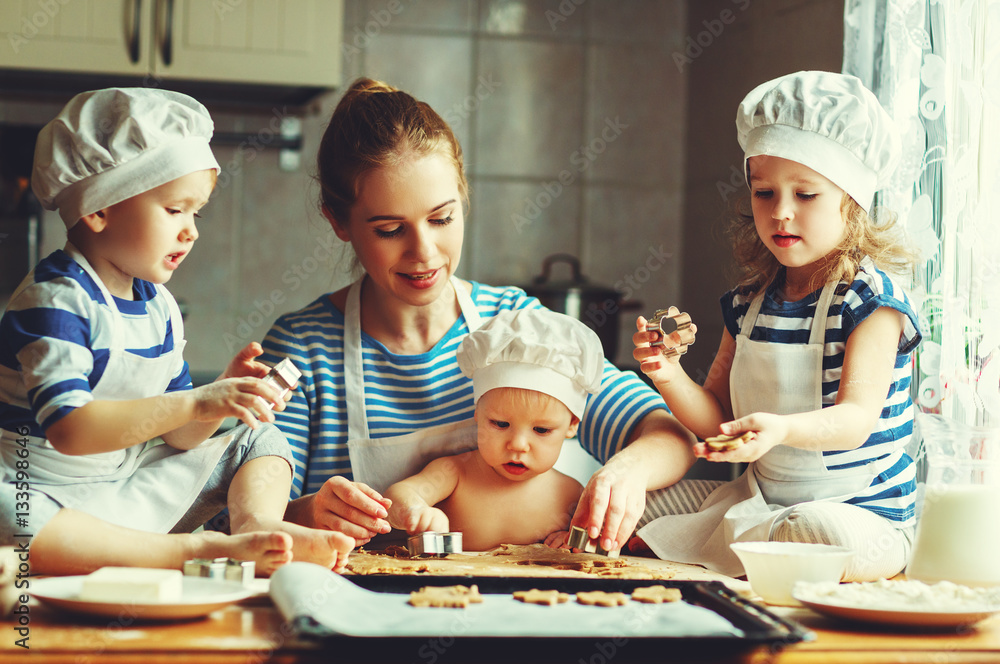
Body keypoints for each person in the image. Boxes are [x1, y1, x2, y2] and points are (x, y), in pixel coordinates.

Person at [260, 78, 697, 554]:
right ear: (338, 221)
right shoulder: (302, 349)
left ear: (463, 198)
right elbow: (236, 512)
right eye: (389, 229)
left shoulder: (515, 327)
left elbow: (666, 433)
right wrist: (306, 512)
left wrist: (626, 472)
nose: (423, 252)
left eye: (442, 219)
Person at [0, 88, 353, 576]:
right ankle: (194, 551)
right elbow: (70, 430)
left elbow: (183, 439)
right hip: (38, 491)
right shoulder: (55, 300)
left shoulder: (159, 306)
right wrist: (199, 402)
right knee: (14, 522)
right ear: (99, 209)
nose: (192, 231)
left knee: (257, 437)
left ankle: (254, 526)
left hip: (124, 484)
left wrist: (217, 401)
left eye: (196, 213)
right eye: (174, 210)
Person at [631, 71, 921, 582]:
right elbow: (716, 419)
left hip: (862, 514)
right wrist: (667, 373)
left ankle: (743, 550)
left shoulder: (869, 301)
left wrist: (782, 429)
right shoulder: (747, 304)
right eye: (764, 193)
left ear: (851, 203)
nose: (781, 213)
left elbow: (854, 422)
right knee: (645, 503)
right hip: (761, 500)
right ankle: (750, 548)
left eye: (805, 195)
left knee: (812, 533)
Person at [385, 308, 602, 550]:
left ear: (572, 425)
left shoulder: (571, 494)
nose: (518, 444)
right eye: (500, 424)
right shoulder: (455, 472)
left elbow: (593, 543)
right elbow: (398, 494)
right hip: (453, 587)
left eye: (541, 430)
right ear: (478, 413)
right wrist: (415, 510)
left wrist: (573, 542)